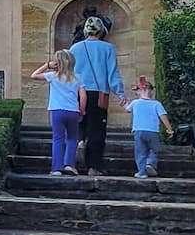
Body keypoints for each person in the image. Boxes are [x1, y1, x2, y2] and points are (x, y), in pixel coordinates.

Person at [69, 15, 125, 176]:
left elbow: (70, 72)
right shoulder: (108, 48)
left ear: (86, 31)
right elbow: (112, 74)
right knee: (97, 131)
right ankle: (93, 166)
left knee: (78, 124)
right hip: (99, 94)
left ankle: (74, 154)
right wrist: (120, 93)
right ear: (102, 31)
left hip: (78, 92)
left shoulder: (75, 48)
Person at [30, 49, 83, 175]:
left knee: (58, 139)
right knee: (72, 138)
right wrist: (82, 109)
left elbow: (34, 75)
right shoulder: (78, 78)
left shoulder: (52, 76)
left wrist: (47, 65)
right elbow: (83, 96)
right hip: (73, 111)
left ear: (57, 63)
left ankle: (57, 168)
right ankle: (69, 164)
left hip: (57, 111)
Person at [125, 77, 173, 180]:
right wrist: (169, 129)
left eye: (137, 90)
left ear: (142, 90)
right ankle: (150, 163)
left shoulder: (135, 103)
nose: (136, 93)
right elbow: (163, 117)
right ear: (150, 91)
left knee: (140, 152)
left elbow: (127, 110)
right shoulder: (156, 104)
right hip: (153, 131)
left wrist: (125, 103)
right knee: (154, 150)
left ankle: (142, 172)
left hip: (138, 131)